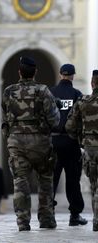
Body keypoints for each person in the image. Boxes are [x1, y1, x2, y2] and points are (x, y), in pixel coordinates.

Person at [2, 56, 60, 231]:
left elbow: (6, 118)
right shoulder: (43, 91)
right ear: (35, 72)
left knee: (20, 181)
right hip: (40, 142)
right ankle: (46, 218)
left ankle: (22, 221)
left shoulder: (8, 91)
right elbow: (55, 120)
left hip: (17, 142)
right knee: (45, 180)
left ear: (19, 72)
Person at [50, 64, 87, 226]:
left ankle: (48, 214)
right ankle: (75, 215)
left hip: (53, 141)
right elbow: (82, 120)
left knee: (50, 179)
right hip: (71, 143)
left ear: (60, 75)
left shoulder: (51, 93)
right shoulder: (77, 94)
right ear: (72, 76)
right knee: (73, 180)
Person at [66, 70, 98, 231]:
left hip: (90, 149)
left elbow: (70, 126)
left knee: (94, 186)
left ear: (92, 83)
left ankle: (97, 220)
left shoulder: (83, 101)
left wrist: (81, 140)